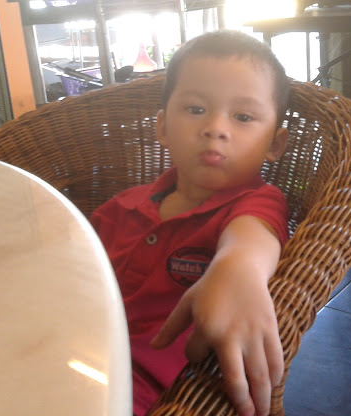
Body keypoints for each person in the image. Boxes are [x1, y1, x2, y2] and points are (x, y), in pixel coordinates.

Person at [90, 30, 291, 416]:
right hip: (76, 355)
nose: (216, 127)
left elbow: (251, 240)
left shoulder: (254, 203)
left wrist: (237, 270)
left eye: (243, 117)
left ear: (274, 145)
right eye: (196, 109)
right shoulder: (120, 208)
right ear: (163, 127)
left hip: (155, 390)